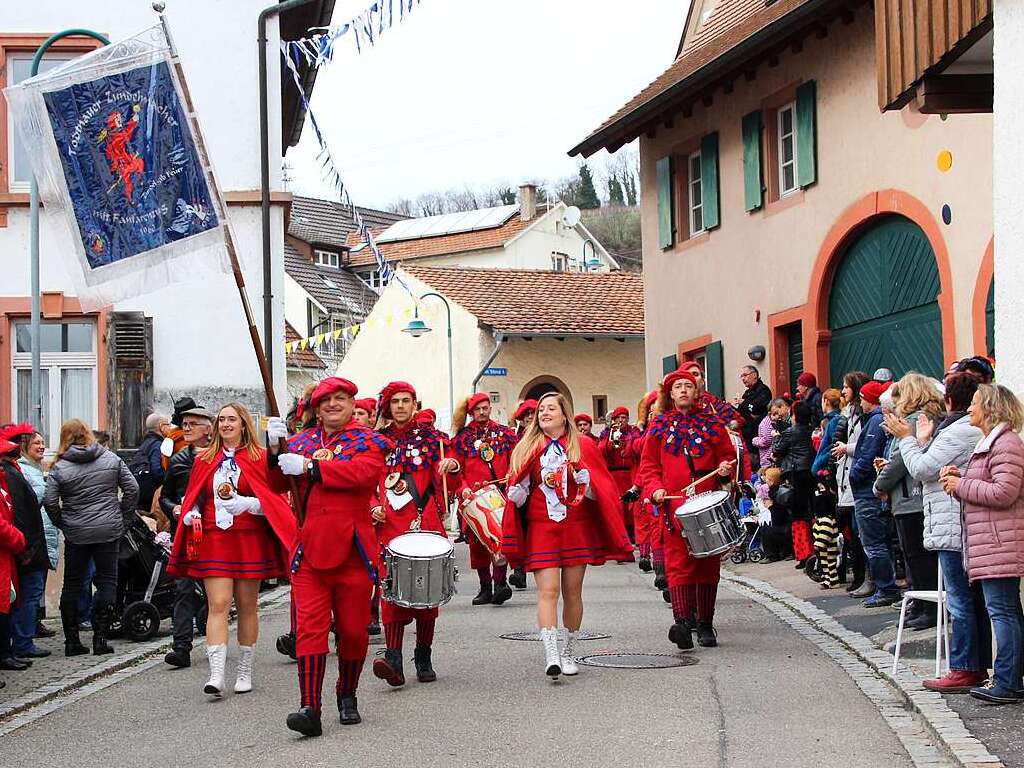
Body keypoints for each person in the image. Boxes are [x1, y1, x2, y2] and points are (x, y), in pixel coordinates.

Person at [267, 377, 389, 736]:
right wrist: (274, 452)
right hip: (310, 550)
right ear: (316, 410)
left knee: (352, 632)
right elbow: (276, 485)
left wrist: (310, 468)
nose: (333, 405)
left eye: (340, 399)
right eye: (325, 401)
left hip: (354, 549)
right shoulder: (300, 441)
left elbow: (364, 475)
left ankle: (347, 694)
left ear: (352, 404)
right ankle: (310, 707)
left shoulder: (369, 440)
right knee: (310, 629)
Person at [167, 404, 295, 697]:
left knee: (247, 605)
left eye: (231, 419)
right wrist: (192, 512)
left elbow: (276, 500)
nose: (226, 424)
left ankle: (245, 670)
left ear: (243, 424)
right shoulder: (204, 459)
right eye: (222, 419)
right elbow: (196, 495)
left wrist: (250, 504)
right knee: (219, 604)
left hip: (248, 538)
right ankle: (216, 674)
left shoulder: (259, 458)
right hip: (215, 537)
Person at [503, 392, 633, 678]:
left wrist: (588, 485)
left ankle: (569, 651)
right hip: (542, 527)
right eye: (541, 410)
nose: (544, 413)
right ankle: (551, 655)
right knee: (547, 592)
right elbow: (521, 490)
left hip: (576, 526)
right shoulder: (526, 448)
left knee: (572, 592)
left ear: (565, 414)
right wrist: (517, 494)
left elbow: (604, 493)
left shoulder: (583, 445)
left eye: (551, 408)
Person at [887, 372, 989, 693]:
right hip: (958, 524)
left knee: (960, 601)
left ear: (949, 401)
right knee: (972, 601)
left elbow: (920, 469)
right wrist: (920, 443)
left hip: (951, 526)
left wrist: (906, 439)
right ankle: (975, 665)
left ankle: (964, 667)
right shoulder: (962, 431)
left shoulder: (957, 432)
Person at [639, 370, 737, 650]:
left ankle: (705, 624)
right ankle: (682, 623)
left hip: (706, 500)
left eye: (688, 386)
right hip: (675, 505)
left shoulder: (713, 425)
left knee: (706, 563)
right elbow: (649, 467)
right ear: (669, 394)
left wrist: (725, 469)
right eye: (677, 387)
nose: (683, 390)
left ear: (696, 392)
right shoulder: (658, 427)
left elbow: (728, 457)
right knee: (678, 563)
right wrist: (655, 488)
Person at [371, 381, 458, 689]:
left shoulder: (436, 441)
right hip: (388, 522)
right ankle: (393, 656)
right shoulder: (375, 441)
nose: (400, 406)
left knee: (426, 589)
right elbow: (367, 480)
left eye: (406, 400)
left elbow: (445, 484)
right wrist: (371, 506)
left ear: (415, 404)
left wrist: (451, 466)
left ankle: (423, 655)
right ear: (387, 406)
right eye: (395, 401)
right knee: (391, 587)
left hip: (423, 521)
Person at [943, 383, 1024, 703]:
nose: (970, 408)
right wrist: (958, 477)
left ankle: (1007, 681)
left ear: (990, 408)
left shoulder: (1005, 444)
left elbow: (1004, 492)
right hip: (993, 544)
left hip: (999, 543)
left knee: (1003, 612)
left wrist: (961, 485)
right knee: (1005, 611)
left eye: (975, 403)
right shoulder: (992, 443)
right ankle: (1010, 677)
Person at [43, 419, 138, 656]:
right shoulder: (110, 458)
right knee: (107, 581)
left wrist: (62, 522)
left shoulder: (60, 468)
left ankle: (72, 642)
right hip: (108, 529)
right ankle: (100, 639)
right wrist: (123, 518)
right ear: (88, 435)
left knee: (73, 584)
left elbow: (49, 501)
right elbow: (132, 489)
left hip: (77, 532)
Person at [874, 374, 941, 630]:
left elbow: (903, 459)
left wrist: (880, 483)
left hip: (909, 497)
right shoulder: (919, 418)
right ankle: (924, 606)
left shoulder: (915, 420)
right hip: (907, 496)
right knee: (916, 557)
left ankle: (929, 608)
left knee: (917, 557)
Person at [158, 405, 214, 668]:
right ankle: (181, 648)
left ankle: (218, 645)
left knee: (217, 593)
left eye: (192, 424)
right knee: (182, 589)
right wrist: (174, 509)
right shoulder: (179, 461)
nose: (187, 428)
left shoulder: (219, 458)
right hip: (186, 532)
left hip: (214, 532)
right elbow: (165, 496)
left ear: (208, 428)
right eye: (184, 424)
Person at [450, 392, 517, 606]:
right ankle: (485, 586)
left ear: (490, 408)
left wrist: (510, 477)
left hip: (499, 495)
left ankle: (500, 583)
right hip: (473, 498)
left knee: (499, 538)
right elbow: (456, 470)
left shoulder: (505, 434)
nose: (482, 412)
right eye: (478, 409)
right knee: (477, 545)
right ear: (471, 412)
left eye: (485, 408)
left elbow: (516, 460)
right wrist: (463, 488)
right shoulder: (462, 438)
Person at [0, 427, 50, 661]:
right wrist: (24, 546)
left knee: (25, 595)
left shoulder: (15, 471)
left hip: (27, 543)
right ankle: (20, 643)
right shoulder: (12, 473)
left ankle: (19, 643)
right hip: (24, 546)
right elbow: (16, 513)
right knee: (25, 596)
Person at [848, 380, 899, 607]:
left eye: (861, 396)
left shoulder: (875, 420)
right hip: (870, 489)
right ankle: (885, 586)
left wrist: (855, 475)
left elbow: (867, 455)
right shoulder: (874, 419)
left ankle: (886, 587)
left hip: (867, 492)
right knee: (879, 542)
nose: (859, 401)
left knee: (874, 543)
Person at [16, 428, 57, 639]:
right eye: (36, 443)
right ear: (24, 447)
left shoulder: (35, 469)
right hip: (34, 537)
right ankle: (25, 637)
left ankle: (33, 626)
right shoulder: (24, 470)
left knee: (36, 587)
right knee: (31, 589)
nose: (42, 446)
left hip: (44, 534)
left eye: (43, 443)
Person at [832, 372, 870, 592]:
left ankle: (865, 578)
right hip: (846, 477)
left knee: (860, 533)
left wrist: (847, 448)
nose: (843, 390)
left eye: (846, 387)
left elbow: (865, 443)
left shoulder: (863, 414)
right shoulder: (850, 412)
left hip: (857, 479)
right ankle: (859, 576)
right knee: (853, 533)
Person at [772, 401, 815, 568]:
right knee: (811, 512)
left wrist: (776, 435)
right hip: (810, 472)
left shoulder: (790, 432)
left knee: (797, 515)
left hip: (795, 474)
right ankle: (816, 550)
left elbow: (777, 449)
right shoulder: (811, 429)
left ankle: (804, 553)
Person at [0, 448, 27, 684]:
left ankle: (6, 653)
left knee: (7, 605)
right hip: (4, 552)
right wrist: (19, 538)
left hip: (6, 555)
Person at [598, 407, 640, 542]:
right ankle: (620, 534)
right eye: (618, 418)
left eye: (624, 418)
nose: (621, 421)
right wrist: (611, 437)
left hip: (629, 473)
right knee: (618, 505)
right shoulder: (607, 433)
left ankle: (633, 532)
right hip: (614, 474)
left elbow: (636, 448)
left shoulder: (634, 432)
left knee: (631, 504)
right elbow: (601, 451)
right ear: (614, 420)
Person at [129, 413, 169, 512]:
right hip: (151, 495)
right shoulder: (158, 445)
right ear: (161, 427)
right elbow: (157, 471)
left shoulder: (145, 443)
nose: (170, 428)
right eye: (168, 425)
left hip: (141, 493)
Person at [734, 366, 772, 465]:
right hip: (746, 437)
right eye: (741, 376)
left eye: (745, 375)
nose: (743, 379)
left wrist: (744, 403)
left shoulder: (763, 390)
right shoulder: (747, 393)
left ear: (754, 375)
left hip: (758, 437)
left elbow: (756, 409)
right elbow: (741, 413)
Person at [811, 471, 841, 588]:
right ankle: (827, 579)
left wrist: (818, 544)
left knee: (830, 564)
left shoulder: (826, 520)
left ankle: (832, 581)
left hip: (828, 547)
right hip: (825, 548)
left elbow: (825, 533)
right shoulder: (824, 519)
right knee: (826, 564)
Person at [811, 389, 843, 476]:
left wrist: (819, 463)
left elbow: (833, 445)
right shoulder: (831, 420)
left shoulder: (833, 421)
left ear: (826, 401)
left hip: (827, 469)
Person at [753, 398, 789, 470]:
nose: (778, 416)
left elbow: (766, 441)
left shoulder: (767, 423)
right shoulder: (769, 423)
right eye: (775, 413)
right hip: (770, 457)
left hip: (768, 458)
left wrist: (755, 440)